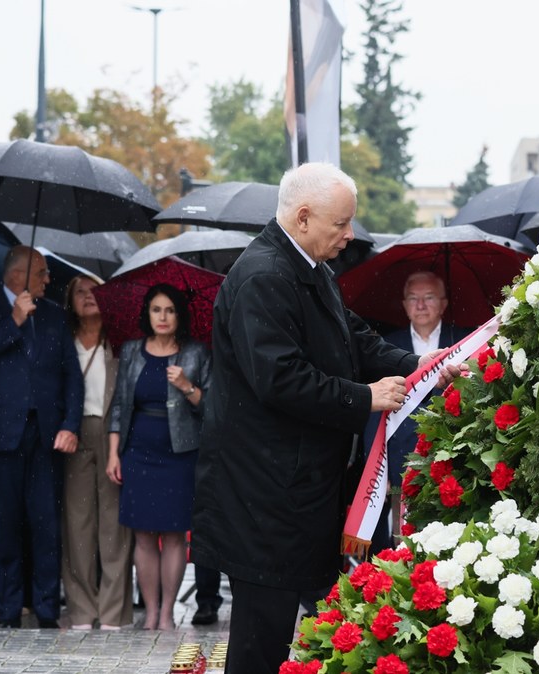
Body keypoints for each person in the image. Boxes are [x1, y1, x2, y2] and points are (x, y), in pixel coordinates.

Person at [191, 163, 459, 673]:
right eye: (341, 224)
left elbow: (353, 339)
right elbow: (280, 379)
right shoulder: (264, 276)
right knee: (261, 637)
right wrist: (364, 398)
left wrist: (422, 365)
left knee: (302, 626)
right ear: (304, 216)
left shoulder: (309, 268)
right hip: (263, 494)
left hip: (297, 487)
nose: (349, 235)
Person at [0, 246, 82, 629]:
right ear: (18, 275)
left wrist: (70, 424)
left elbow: (71, 377)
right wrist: (12, 321)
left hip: (44, 436)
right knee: (4, 524)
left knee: (45, 524)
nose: (47, 280)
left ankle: (46, 608)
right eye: (41, 273)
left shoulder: (54, 316)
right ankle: (6, 608)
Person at [106, 283, 209, 631]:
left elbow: (211, 407)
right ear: (147, 314)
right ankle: (150, 611)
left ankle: (167, 613)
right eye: (156, 310)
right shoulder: (133, 351)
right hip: (138, 451)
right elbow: (119, 405)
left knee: (176, 533)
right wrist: (113, 454)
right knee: (144, 535)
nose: (162, 317)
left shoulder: (196, 353)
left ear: (179, 316)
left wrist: (187, 387)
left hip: (180, 452)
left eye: (169, 310)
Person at [361, 270, 471, 554]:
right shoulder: (384, 347)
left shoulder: (464, 343)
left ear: (444, 303)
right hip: (398, 459)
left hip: (449, 458)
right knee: (401, 543)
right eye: (413, 298)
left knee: (447, 543)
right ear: (404, 304)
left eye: (429, 297)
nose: (421, 305)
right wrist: (376, 469)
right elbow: (374, 410)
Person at [61, 274, 132, 631]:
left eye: (94, 291)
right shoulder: (64, 339)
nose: (88, 297)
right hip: (75, 433)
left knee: (114, 524)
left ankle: (113, 612)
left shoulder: (119, 340)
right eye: (80, 292)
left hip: (114, 432)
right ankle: (82, 610)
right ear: (70, 300)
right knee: (77, 524)